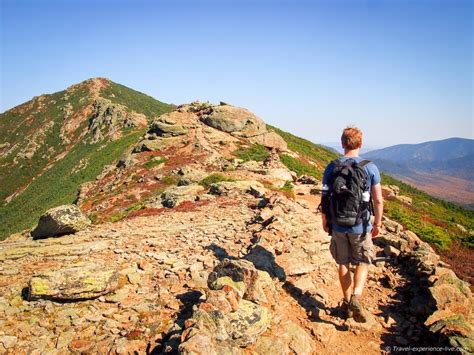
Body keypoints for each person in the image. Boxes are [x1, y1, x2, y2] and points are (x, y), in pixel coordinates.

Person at [321, 126, 383, 323]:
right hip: (361, 225)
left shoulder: (332, 166)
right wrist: (378, 224)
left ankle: (347, 303)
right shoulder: (370, 167)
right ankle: (356, 295)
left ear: (342, 143)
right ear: (360, 144)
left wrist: (325, 220)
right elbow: (379, 200)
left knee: (343, 262)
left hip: (338, 224)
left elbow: (324, 196)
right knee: (363, 261)